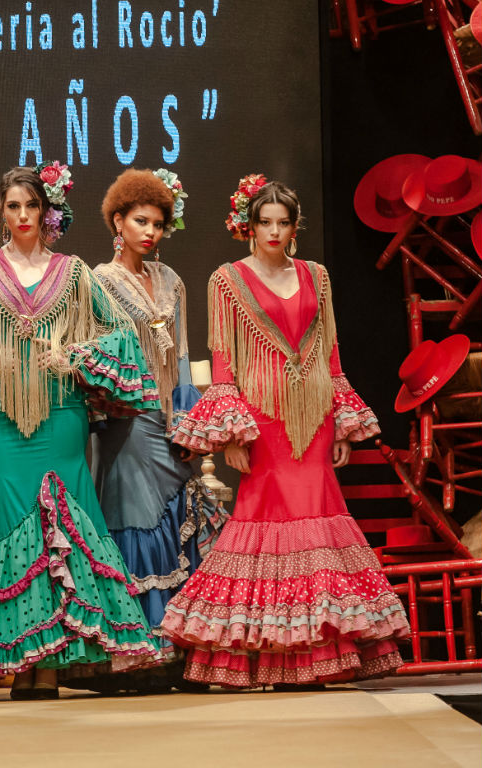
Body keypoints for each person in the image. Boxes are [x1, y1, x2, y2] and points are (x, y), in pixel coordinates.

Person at [0, 163, 165, 699]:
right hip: (3, 418)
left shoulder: (74, 272)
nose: (22, 216)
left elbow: (120, 331)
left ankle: (51, 666)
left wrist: (74, 358)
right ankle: (19, 659)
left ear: (46, 211)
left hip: (61, 414)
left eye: (31, 206)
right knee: (8, 519)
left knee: (63, 524)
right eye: (13, 206)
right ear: (2, 211)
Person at [163, 176, 410, 688]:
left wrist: (341, 423)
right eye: (265, 222)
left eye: (283, 222)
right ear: (249, 227)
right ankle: (268, 654)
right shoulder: (227, 279)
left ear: (295, 227)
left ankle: (318, 652)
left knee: (320, 515)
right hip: (262, 419)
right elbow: (223, 359)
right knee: (263, 519)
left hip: (315, 415)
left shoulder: (317, 275)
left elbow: (331, 352)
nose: (274, 231)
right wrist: (233, 434)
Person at [86, 168, 227, 689]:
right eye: (140, 221)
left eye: (158, 223)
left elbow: (184, 353)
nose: (150, 231)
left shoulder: (171, 281)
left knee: (176, 518)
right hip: (126, 420)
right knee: (135, 519)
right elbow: (95, 355)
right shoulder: (98, 281)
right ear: (117, 221)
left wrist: (189, 422)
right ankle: (137, 655)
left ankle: (181, 652)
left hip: (170, 419)